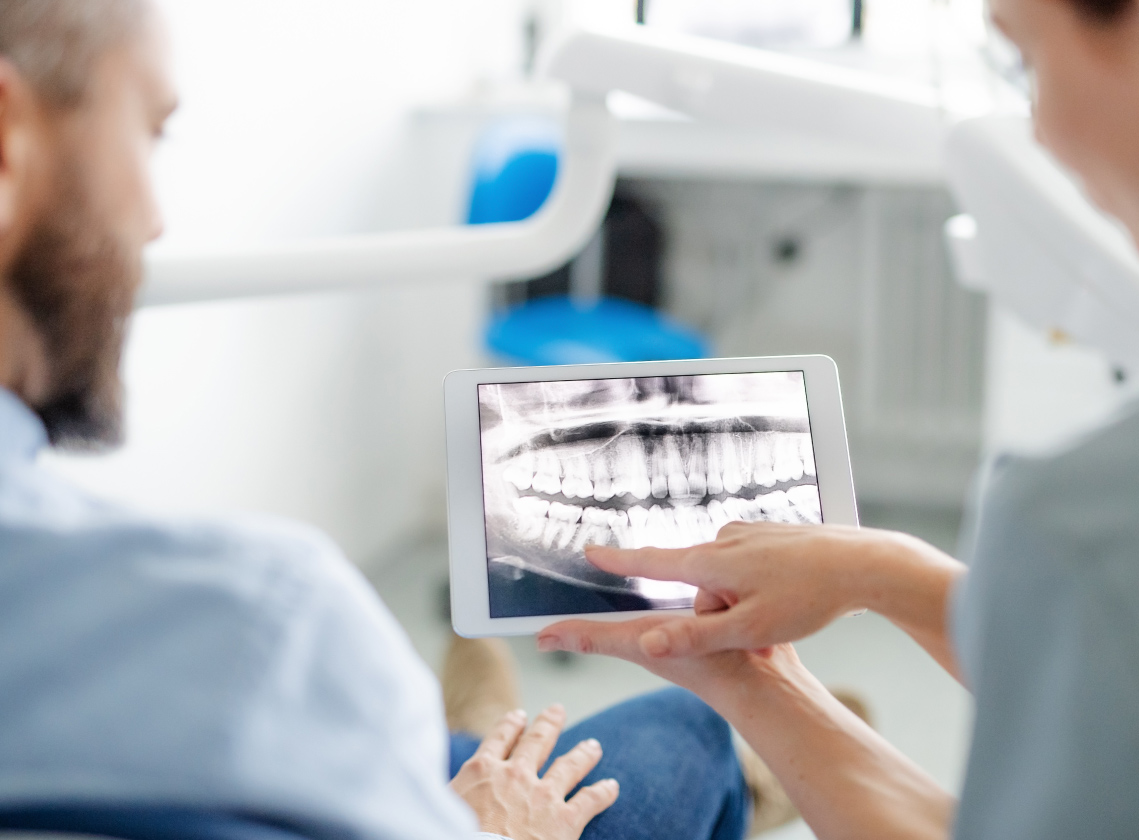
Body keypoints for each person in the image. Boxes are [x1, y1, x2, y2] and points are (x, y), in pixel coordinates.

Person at [0, 3, 781, 840]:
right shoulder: (266, 619)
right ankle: (762, 771)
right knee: (692, 734)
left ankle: (484, 721)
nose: (154, 221)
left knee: (488, 746)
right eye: (150, 133)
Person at [537, 0, 1139, 836]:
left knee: (666, 741)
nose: (1042, 130)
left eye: (1028, 62)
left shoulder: (1087, 525)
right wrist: (867, 581)